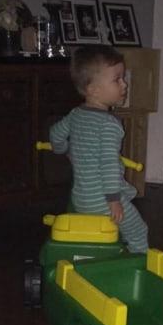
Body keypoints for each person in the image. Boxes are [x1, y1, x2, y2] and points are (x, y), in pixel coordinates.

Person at [49, 45, 148, 253]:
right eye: (117, 79)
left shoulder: (75, 115)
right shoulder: (109, 124)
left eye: (123, 78)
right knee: (138, 229)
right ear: (93, 89)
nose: (124, 84)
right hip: (103, 200)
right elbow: (109, 164)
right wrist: (113, 200)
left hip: (80, 198)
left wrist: (63, 150)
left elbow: (55, 134)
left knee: (121, 209)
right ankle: (140, 257)